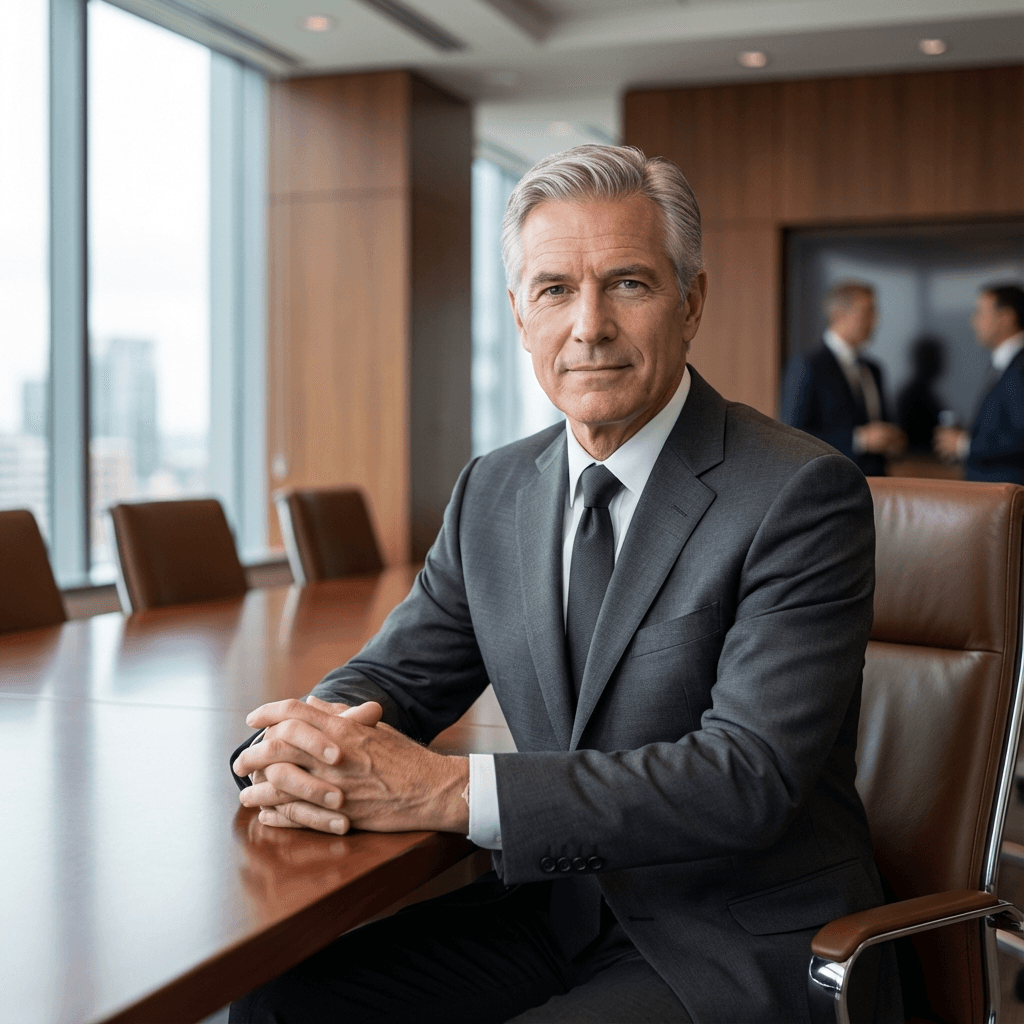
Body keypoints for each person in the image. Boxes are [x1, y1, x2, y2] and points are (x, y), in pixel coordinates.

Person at [228, 145, 901, 1024]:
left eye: (627, 283)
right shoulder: (493, 490)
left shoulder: (798, 492)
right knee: (280, 1005)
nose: (589, 325)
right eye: (554, 290)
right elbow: (394, 679)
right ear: (519, 316)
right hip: (555, 907)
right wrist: (301, 749)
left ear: (690, 302)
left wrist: (445, 790)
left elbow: (748, 775)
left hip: (736, 937)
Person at [781, 281, 906, 475]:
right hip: (832, 486)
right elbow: (794, 436)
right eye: (868, 312)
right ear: (839, 315)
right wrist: (859, 440)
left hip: (879, 487)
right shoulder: (808, 365)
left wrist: (892, 439)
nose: (875, 321)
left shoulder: (873, 370)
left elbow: (882, 422)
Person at [934, 283, 1024, 484]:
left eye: (980, 313)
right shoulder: (1004, 363)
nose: (973, 322)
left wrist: (964, 445)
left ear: (1005, 317)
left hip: (1010, 497)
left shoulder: (1021, 365)